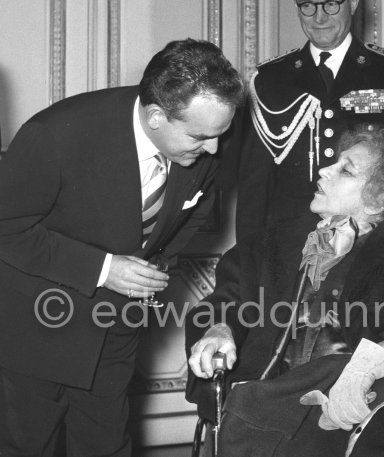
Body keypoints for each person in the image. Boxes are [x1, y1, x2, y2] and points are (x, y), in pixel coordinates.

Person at [186, 127, 384, 457]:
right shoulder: (272, 245)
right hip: (267, 390)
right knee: (254, 401)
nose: (324, 170)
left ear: (380, 200)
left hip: (359, 409)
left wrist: (373, 363)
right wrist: (219, 328)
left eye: (345, 169)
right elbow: (225, 299)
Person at [0, 39, 244, 457]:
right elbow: (6, 227)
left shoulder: (206, 137)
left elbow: (197, 210)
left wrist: (153, 265)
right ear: (155, 116)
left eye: (220, 135)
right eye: (201, 137)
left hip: (116, 327)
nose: (214, 150)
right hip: (37, 328)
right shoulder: (55, 136)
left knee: (108, 445)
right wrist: (103, 268)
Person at [236, 0, 384, 241]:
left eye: (331, 3)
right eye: (307, 5)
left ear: (353, 2)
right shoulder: (270, 81)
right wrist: (248, 265)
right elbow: (254, 186)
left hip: (369, 244)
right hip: (287, 247)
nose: (319, 17)